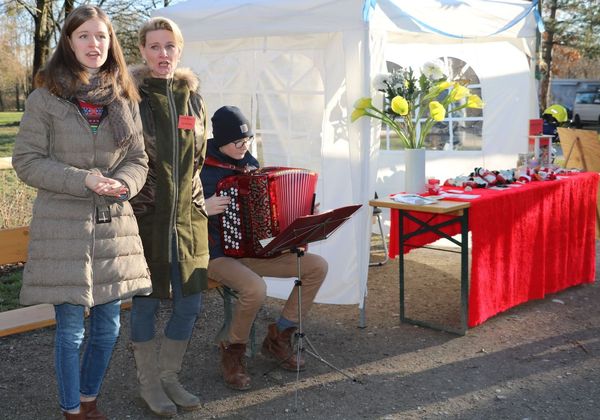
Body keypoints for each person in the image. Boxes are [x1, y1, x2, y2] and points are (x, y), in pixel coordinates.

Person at [11, 5, 151, 419]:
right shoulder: (45, 98)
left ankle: (89, 400)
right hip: (63, 229)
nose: (95, 44)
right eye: (84, 36)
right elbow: (27, 161)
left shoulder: (124, 98)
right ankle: (72, 410)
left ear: (112, 44)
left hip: (113, 228)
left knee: (108, 328)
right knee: (71, 332)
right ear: (69, 43)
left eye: (102, 36)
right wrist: (83, 179)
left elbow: (139, 159)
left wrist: (124, 184)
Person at [200, 106, 328, 391]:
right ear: (220, 140)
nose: (243, 146)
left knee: (316, 266)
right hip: (214, 254)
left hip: (251, 253)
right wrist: (201, 208)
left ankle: (279, 336)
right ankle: (232, 351)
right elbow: (172, 211)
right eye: (237, 142)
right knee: (255, 288)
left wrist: (301, 211)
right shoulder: (199, 166)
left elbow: (266, 214)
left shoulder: (248, 161)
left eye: (247, 140)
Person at [128, 17, 209, 416]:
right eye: (155, 46)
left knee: (189, 302)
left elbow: (199, 161)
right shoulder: (129, 96)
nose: (163, 54)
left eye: (170, 46)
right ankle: (148, 384)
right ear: (142, 50)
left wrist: (196, 205)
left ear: (180, 50)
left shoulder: (193, 97)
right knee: (145, 303)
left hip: (188, 222)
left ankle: (169, 376)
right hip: (146, 220)